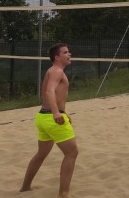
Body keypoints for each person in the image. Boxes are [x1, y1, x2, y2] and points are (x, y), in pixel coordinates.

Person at [20, 43, 78, 198]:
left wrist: (62, 112)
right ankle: (63, 194)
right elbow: (49, 91)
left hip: (42, 117)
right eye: (65, 52)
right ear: (57, 57)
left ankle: (25, 187)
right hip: (52, 118)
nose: (69, 54)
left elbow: (48, 93)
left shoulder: (51, 71)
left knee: (41, 154)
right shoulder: (57, 71)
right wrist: (56, 113)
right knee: (72, 152)